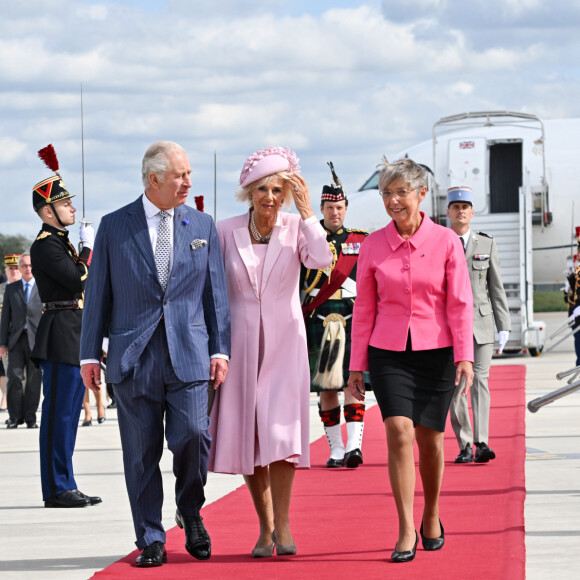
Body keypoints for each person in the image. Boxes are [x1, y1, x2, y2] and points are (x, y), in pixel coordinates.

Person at [80, 141, 231, 568]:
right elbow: (98, 297)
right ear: (154, 179)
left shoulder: (201, 224)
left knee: (194, 436)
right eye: (180, 175)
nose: (187, 182)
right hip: (133, 356)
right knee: (140, 451)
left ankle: (190, 508)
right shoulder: (114, 227)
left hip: (190, 352)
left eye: (189, 174)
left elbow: (214, 294)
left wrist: (220, 349)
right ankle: (150, 536)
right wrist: (89, 354)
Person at [348, 158, 474, 563]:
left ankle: (431, 512)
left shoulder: (446, 241)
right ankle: (405, 528)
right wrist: (356, 365)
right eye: (387, 193)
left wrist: (464, 357)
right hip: (388, 353)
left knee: (430, 440)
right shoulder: (371, 245)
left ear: (422, 194)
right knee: (399, 430)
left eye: (401, 192)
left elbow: (459, 304)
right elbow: (364, 308)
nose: (393, 200)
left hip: (436, 350)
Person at [209, 146, 332, 558]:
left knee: (280, 435)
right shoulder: (224, 230)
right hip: (240, 344)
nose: (270, 197)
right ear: (248, 192)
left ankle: (285, 525)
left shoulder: (297, 227)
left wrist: (309, 211)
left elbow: (322, 260)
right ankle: (265, 528)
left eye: (278, 189)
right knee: (250, 437)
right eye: (262, 189)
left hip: (285, 342)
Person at [29, 145, 100, 509]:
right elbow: (76, 281)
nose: (71, 207)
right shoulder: (45, 246)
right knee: (58, 416)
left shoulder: (61, 244)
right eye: (65, 203)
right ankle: (56, 488)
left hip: (74, 333)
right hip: (59, 335)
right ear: (47, 211)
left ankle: (66, 482)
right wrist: (88, 251)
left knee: (69, 415)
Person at [301, 167, 368, 468]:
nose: (335, 212)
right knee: (327, 387)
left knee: (353, 384)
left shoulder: (361, 241)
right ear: (322, 209)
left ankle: (354, 446)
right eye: (330, 208)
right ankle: (336, 450)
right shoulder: (306, 241)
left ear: (345, 209)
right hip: (320, 318)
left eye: (340, 207)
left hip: (353, 317)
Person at [446, 186, 511, 464]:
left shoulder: (486, 244)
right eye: (456, 207)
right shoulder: (441, 242)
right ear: (448, 212)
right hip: (449, 328)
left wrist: (503, 323)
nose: (461, 211)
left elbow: (496, 286)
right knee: (457, 385)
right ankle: (465, 444)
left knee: (480, 383)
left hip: (481, 325)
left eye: (465, 207)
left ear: (472, 212)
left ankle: (482, 441)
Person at [0, 253, 43, 429]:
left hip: (36, 341)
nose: (27, 269)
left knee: (34, 380)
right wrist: (2, 343)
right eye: (24, 266)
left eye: (30, 266)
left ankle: (30, 417)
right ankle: (14, 416)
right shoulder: (12, 288)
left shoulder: (42, 287)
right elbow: (5, 318)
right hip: (16, 340)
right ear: (19, 268)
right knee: (15, 377)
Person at [1, 254, 23, 416]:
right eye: (11, 268)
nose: (14, 271)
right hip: (7, 340)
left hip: (27, 339)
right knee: (11, 376)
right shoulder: (1, 290)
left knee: (28, 379)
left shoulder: (31, 287)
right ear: (5, 270)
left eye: (17, 268)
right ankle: (13, 411)